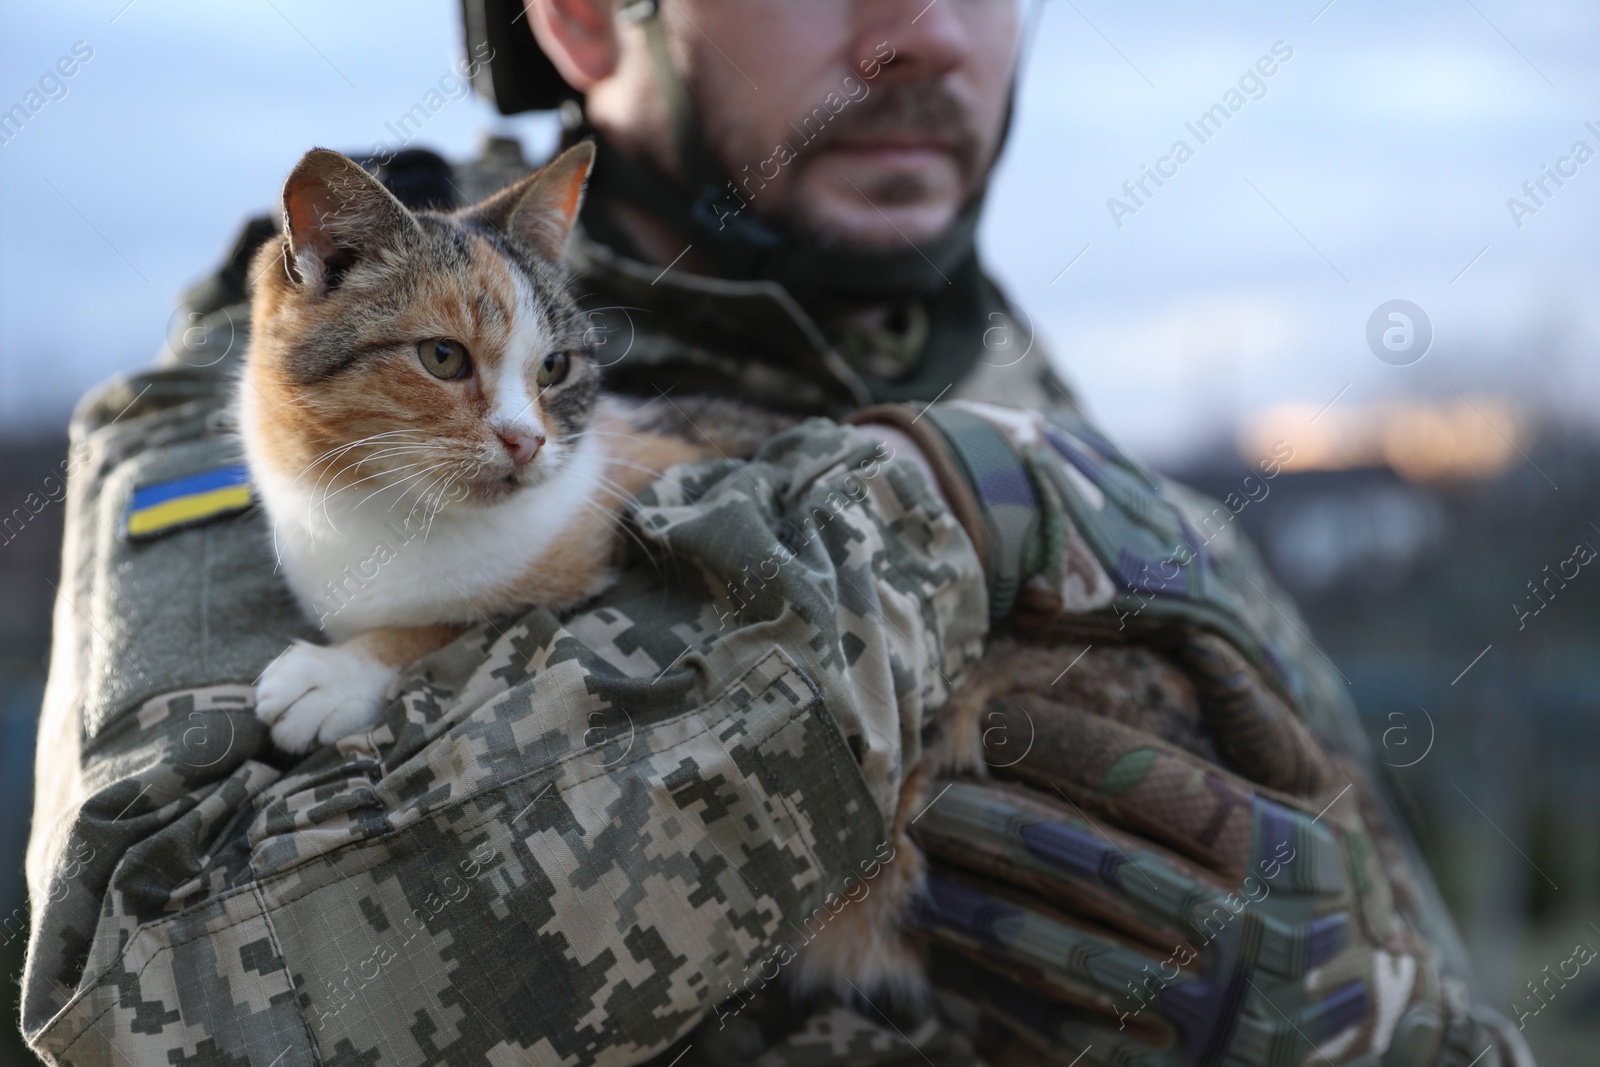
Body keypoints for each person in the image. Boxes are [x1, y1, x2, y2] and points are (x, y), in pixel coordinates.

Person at [22, 1, 1530, 1064]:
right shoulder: (258, 406)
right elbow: (153, 1005)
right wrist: (941, 521)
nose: (921, 31)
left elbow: (1441, 986)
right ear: (593, 18)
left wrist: (1362, 1026)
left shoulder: (1115, 464)